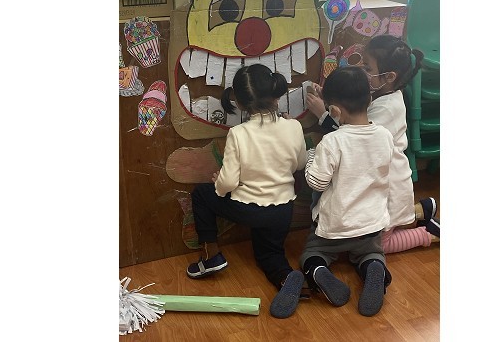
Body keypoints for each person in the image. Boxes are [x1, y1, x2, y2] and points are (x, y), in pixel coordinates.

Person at [186, 63, 308, 319]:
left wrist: (219, 182)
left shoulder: (239, 133)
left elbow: (228, 183)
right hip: (283, 210)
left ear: (240, 104)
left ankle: (211, 256)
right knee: (269, 255)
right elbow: (300, 164)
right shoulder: (293, 126)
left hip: (249, 209)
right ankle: (287, 277)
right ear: (276, 95)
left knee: (201, 195)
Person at [306, 34, 440, 254]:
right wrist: (333, 98)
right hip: (381, 179)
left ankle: (428, 234)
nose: (362, 70)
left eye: (368, 67)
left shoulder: (386, 108)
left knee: (379, 245)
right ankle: (420, 211)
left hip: (386, 187)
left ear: (389, 77)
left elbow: (352, 141)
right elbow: (353, 114)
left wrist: (324, 115)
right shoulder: (380, 94)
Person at [294, 66, 395, 317]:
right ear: (369, 99)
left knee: (312, 253)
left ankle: (318, 271)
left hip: (335, 227)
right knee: (372, 253)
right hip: (371, 225)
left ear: (335, 111)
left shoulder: (332, 141)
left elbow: (316, 183)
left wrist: (311, 155)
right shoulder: (385, 135)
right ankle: (374, 268)